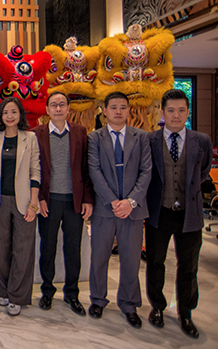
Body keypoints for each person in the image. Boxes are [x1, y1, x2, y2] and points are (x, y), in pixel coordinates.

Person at [145, 89, 212, 339]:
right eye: (171, 110)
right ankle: (157, 307)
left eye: (181, 110)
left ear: (188, 112)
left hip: (189, 214)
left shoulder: (201, 140)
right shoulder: (150, 140)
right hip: (159, 213)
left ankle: (186, 313)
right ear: (163, 113)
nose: (176, 115)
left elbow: (203, 172)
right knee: (155, 263)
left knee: (188, 267)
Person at [87, 91, 151, 329]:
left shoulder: (141, 137)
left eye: (123, 107)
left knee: (131, 259)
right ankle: (97, 299)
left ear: (129, 110)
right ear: (105, 110)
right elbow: (94, 170)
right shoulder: (95, 138)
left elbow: (146, 172)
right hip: (105, 209)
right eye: (113, 107)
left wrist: (130, 201)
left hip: (132, 211)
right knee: (99, 257)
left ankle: (129, 304)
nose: (118, 111)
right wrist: (113, 201)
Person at [31, 92, 94, 315]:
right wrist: (39, 198)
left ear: (68, 109)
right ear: (47, 109)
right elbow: (33, 168)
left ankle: (72, 293)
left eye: (62, 105)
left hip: (74, 201)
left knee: (73, 249)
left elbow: (86, 167)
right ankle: (47, 291)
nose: (58, 109)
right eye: (53, 105)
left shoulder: (80, 132)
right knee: (47, 248)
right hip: (48, 201)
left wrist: (87, 199)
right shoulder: (36, 134)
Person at [0, 97, 41, 316]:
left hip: (24, 201)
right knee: (0, 248)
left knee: (23, 249)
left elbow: (35, 170)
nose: (9, 116)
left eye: (14, 112)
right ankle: (3, 291)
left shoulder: (30, 138)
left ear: (20, 115)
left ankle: (17, 296)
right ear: (0, 116)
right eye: (5, 113)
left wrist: (33, 203)